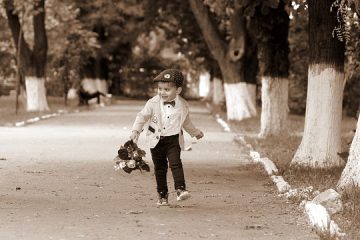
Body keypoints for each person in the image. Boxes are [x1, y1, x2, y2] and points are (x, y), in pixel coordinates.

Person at [130, 69, 204, 206]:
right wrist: (136, 131)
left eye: (167, 89)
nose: (162, 92)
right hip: (156, 141)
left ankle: (180, 189)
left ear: (178, 90)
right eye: (160, 89)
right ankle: (162, 196)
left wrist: (195, 132)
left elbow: (186, 122)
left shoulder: (183, 105)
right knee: (160, 168)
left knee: (176, 163)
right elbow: (142, 117)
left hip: (173, 140)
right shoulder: (152, 103)